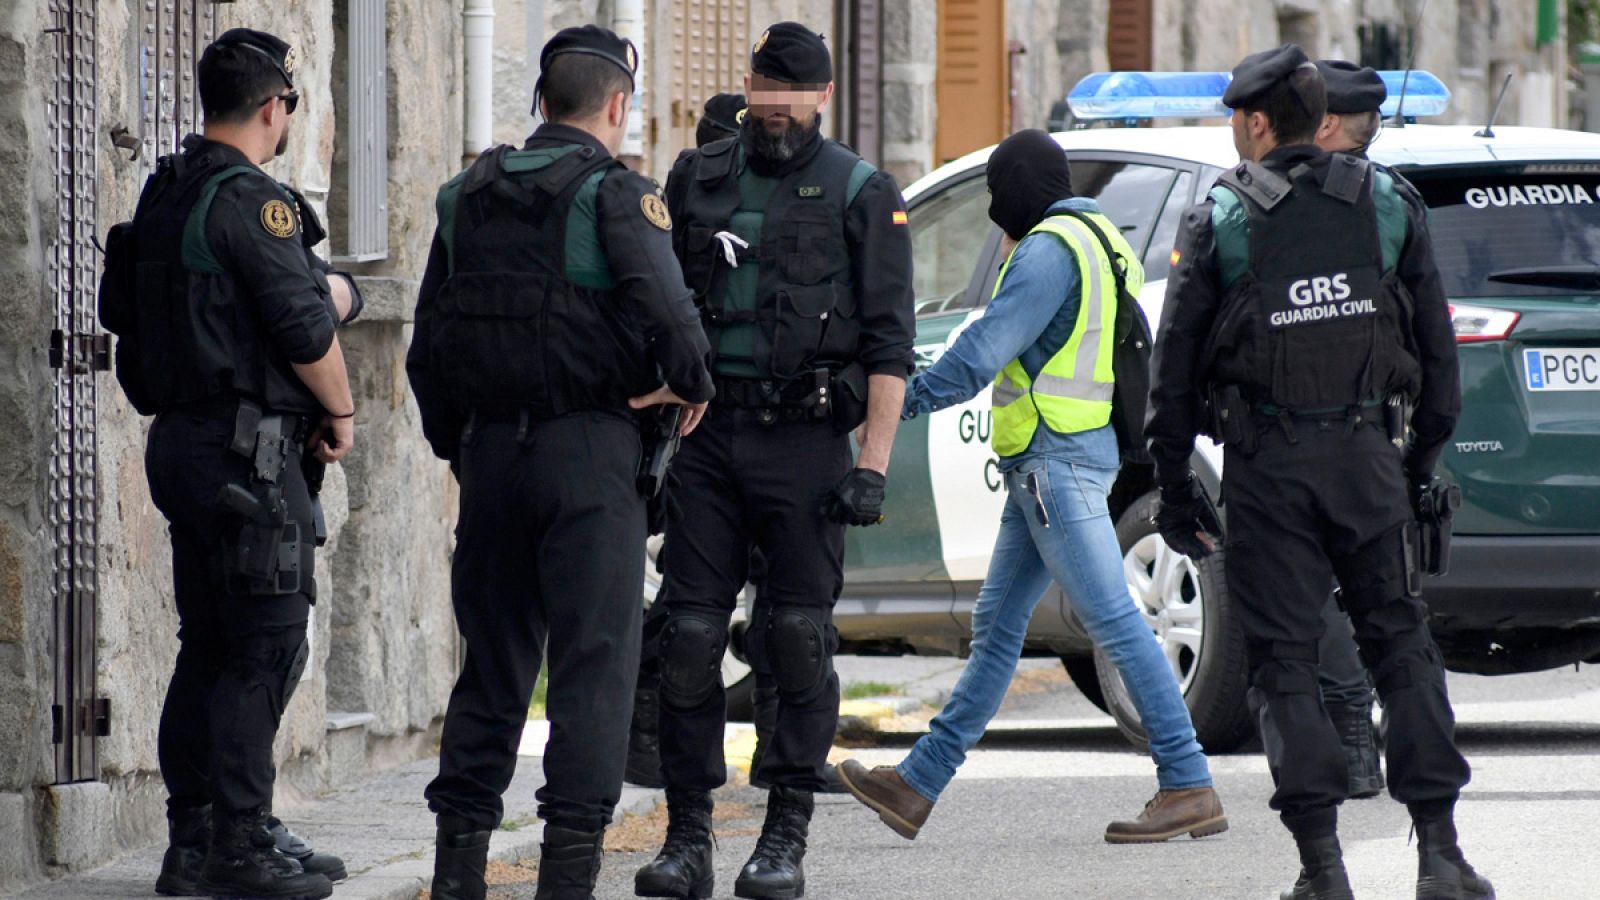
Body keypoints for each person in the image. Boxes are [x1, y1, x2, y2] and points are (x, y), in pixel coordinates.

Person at [1145, 46, 1492, 900]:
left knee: (1286, 666)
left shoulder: (1222, 215)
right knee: (1402, 647)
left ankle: (1322, 869)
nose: (1233, 132)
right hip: (1368, 460)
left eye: (1235, 118)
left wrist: (1177, 487)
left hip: (1268, 474)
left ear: (1260, 122)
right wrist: (1417, 463)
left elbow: (1175, 373)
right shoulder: (1384, 200)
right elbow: (1439, 359)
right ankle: (1440, 855)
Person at [834, 129, 1228, 850]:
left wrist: (892, 400)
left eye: (995, 192)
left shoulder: (1048, 249)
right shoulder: (1099, 237)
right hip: (1051, 463)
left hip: (1055, 466)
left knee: (1112, 619)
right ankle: (917, 784)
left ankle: (1187, 780)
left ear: (1020, 189)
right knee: (997, 631)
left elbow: (980, 354)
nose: (992, 208)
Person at [407, 25, 714, 900]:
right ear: (618, 105)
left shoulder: (465, 195)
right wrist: (685, 388)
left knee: (492, 671)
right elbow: (673, 317)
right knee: (593, 670)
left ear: (541, 103)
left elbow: (428, 349)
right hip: (590, 455)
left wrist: (466, 449)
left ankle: (458, 874)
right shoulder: (616, 194)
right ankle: (564, 883)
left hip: (492, 457)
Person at [635, 21, 915, 900]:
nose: (775, 109)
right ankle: (688, 837)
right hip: (708, 442)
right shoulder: (696, 178)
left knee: (796, 638)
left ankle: (785, 831)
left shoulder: (864, 193)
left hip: (806, 444)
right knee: (686, 637)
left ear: (825, 96)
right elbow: (657, 304)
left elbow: (890, 344)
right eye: (763, 90)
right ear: (749, 87)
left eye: (792, 95)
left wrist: (872, 462)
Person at [98, 28, 358, 900]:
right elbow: (304, 324)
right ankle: (239, 844)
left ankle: (198, 837)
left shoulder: (170, 188)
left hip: (185, 443)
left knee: (209, 641)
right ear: (274, 107)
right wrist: (342, 408)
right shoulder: (251, 199)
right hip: (248, 452)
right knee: (268, 645)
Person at [627, 91, 748, 793]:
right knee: (684, 599)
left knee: (754, 597)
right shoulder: (681, 202)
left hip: (747, 422)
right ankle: (644, 736)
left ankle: (775, 742)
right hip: (693, 425)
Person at [1307, 59, 1401, 802]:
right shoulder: (1397, 201)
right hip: (1380, 435)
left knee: (1316, 595)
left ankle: (1351, 735)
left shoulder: (1278, 201)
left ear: (1326, 122)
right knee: (1383, 598)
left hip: (1300, 434)